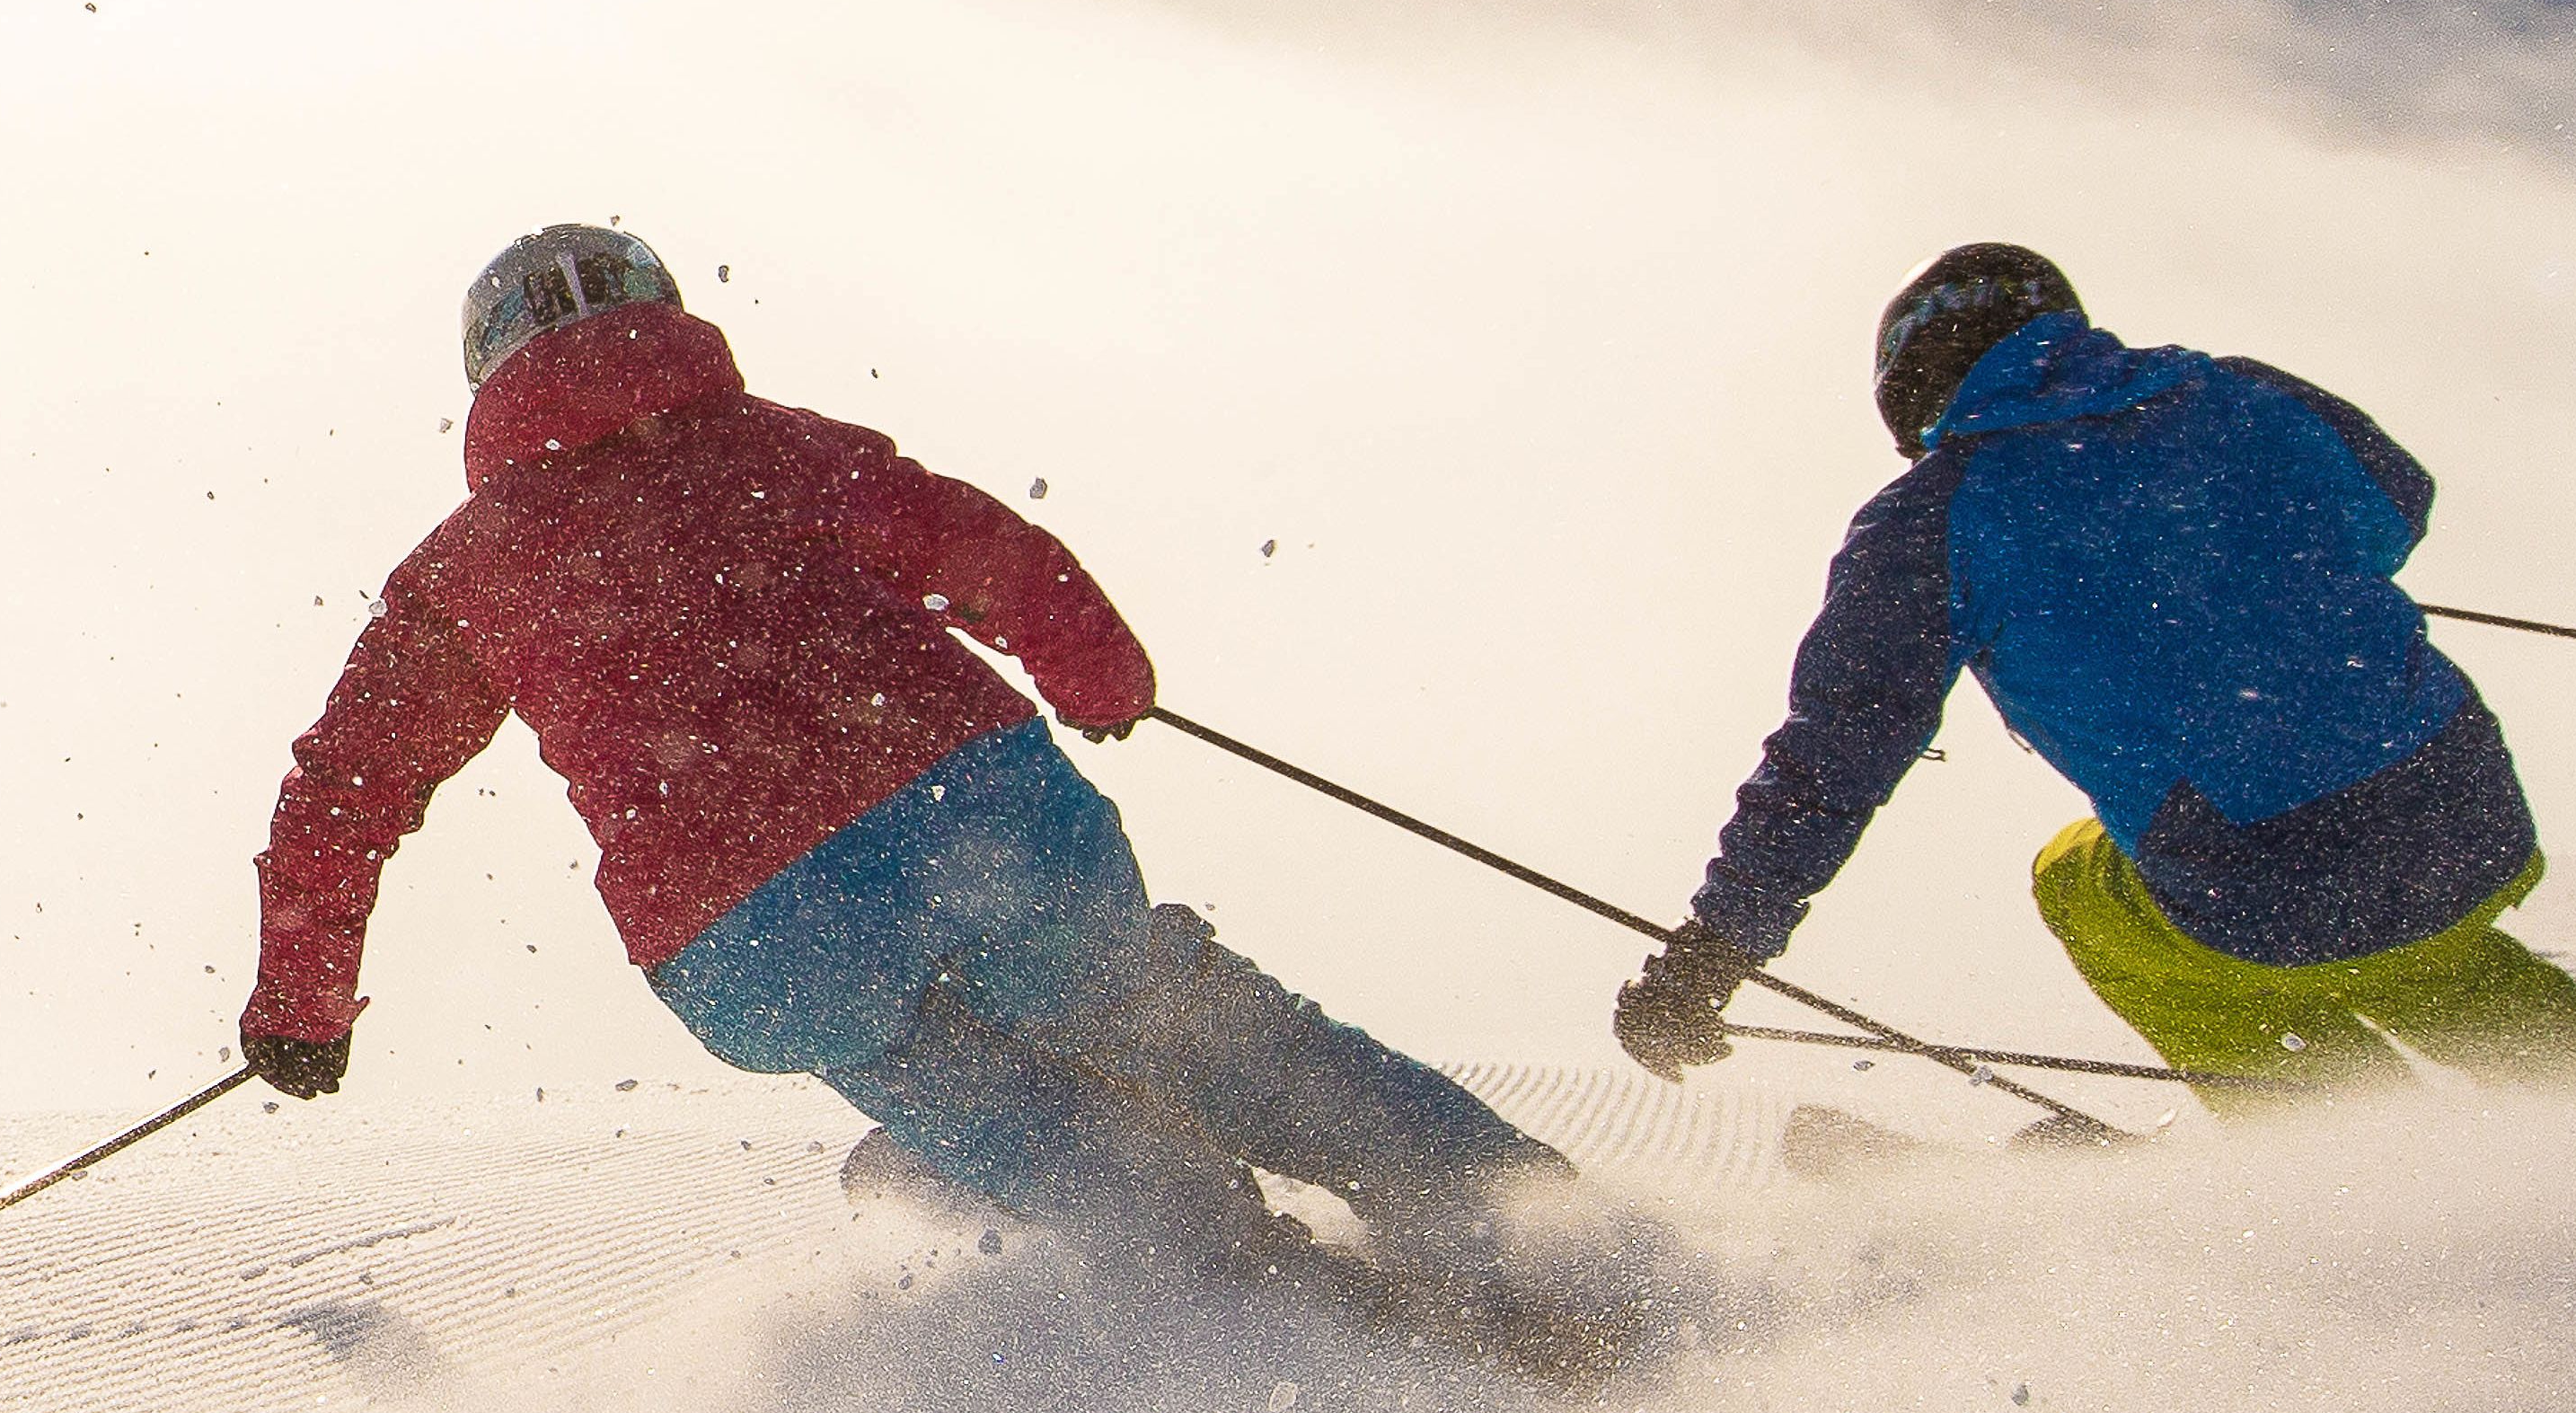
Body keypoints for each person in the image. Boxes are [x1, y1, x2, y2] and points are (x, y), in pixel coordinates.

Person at [243, 223, 1605, 1348]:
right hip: (975, 824)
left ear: (487, 375)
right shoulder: (775, 445)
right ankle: (1546, 1247)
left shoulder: (465, 567)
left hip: (748, 939)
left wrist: (301, 1005)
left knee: (1039, 1136)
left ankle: (1299, 1331)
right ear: (665, 313)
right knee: (1179, 1022)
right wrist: (1096, 673)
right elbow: (981, 542)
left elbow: (344, 789)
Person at [1612, 243, 2576, 1115]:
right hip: (2465, 804)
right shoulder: (2240, 389)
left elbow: (1831, 760)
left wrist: (1712, 954)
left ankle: (2345, 1156)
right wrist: (2242, 569)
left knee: (2081, 884)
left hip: (2259, 876)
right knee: (2422, 946)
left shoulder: (1931, 520)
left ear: (1912, 389)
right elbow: (2395, 502)